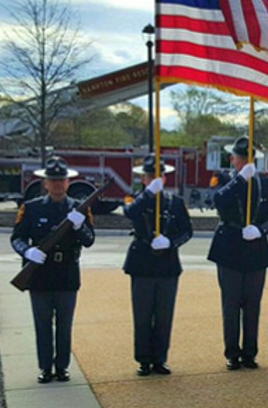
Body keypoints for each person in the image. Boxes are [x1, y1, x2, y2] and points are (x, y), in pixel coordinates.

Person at [10, 156, 95, 384]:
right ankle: (45, 367)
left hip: (67, 274)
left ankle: (62, 367)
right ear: (45, 183)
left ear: (68, 183)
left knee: (64, 325)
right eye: (53, 180)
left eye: (62, 180)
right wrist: (27, 252)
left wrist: (79, 226)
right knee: (43, 324)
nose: (58, 184)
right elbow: (17, 238)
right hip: (40, 275)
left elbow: (89, 240)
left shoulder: (79, 209)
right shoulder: (31, 208)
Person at [208, 137, 268, 370]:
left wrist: (261, 229)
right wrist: (240, 180)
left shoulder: (266, 184)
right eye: (240, 159)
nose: (244, 162)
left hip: (255, 249)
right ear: (232, 159)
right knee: (230, 305)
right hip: (229, 248)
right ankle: (232, 353)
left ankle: (250, 353)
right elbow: (218, 201)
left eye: (248, 159)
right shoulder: (222, 180)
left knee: (252, 305)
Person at [122, 155, 193, 376]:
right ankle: (143, 359)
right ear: (144, 179)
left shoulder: (175, 202)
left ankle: (160, 358)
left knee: (164, 315)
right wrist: (148, 194)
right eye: (150, 176)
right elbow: (130, 213)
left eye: (158, 175)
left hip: (167, 264)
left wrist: (171, 243)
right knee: (142, 315)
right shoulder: (133, 198)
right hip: (142, 263)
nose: (155, 179)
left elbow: (187, 231)